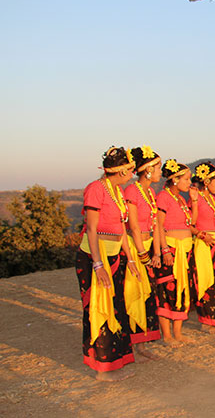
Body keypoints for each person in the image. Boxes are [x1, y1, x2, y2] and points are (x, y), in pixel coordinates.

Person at [75, 146, 138, 381]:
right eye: (130, 170)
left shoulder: (117, 191)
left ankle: (116, 361)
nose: (132, 174)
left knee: (116, 307)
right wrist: (98, 264)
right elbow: (92, 229)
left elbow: (121, 228)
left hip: (114, 255)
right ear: (121, 171)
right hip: (95, 256)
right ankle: (102, 368)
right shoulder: (96, 189)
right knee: (99, 307)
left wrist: (130, 258)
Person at [123, 145, 163, 361]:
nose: (160, 171)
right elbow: (134, 226)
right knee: (134, 293)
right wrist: (142, 254)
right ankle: (132, 344)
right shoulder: (132, 191)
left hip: (147, 246)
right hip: (135, 247)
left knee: (147, 296)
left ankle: (143, 342)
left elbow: (155, 224)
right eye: (157, 167)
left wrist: (156, 252)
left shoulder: (150, 192)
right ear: (147, 170)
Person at [154, 159, 194, 346]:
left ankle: (178, 333)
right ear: (175, 179)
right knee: (166, 290)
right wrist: (165, 250)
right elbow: (159, 225)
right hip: (170, 249)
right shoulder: (163, 197)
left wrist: (194, 200)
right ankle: (167, 335)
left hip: (184, 251)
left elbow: (191, 223)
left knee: (182, 289)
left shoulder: (182, 199)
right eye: (186, 179)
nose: (189, 182)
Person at [189, 162, 215, 332]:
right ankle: (205, 321)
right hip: (204, 246)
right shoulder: (195, 198)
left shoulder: (212, 198)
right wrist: (202, 235)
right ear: (206, 182)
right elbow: (189, 224)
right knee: (205, 282)